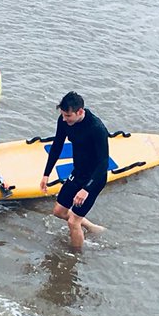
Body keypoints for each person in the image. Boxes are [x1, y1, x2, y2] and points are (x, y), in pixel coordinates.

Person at [40, 91, 110, 248]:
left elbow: (103, 163)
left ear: (80, 112)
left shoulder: (96, 128)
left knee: (73, 222)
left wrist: (86, 189)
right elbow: (57, 146)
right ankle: (91, 227)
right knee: (58, 211)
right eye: (63, 115)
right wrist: (46, 174)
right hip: (78, 172)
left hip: (94, 178)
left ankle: (75, 257)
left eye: (68, 116)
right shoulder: (64, 121)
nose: (64, 119)